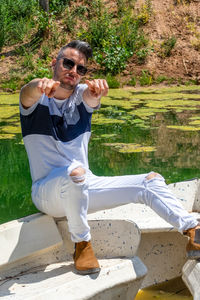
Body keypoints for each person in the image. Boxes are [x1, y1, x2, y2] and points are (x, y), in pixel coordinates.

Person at [19, 40, 200, 275]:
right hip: (46, 192)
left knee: (151, 180)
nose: (73, 71)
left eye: (80, 69)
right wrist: (38, 85)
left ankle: (193, 229)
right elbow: (28, 91)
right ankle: (82, 244)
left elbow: (92, 98)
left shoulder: (83, 95)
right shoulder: (34, 101)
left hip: (84, 185)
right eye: (68, 63)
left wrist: (98, 92)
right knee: (76, 174)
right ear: (55, 63)